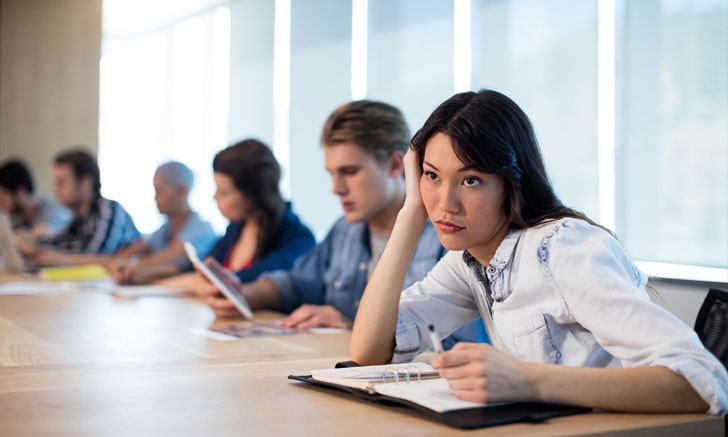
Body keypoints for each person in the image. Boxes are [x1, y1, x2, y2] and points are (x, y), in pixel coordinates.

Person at [349, 90, 728, 415]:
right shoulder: (470, 260)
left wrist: (527, 381)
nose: (445, 203)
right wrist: (410, 212)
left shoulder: (562, 247)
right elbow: (368, 351)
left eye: (471, 180)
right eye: (432, 176)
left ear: (512, 183)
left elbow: (701, 382)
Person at [201, 101, 481, 345]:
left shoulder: (449, 237)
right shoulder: (345, 231)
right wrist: (242, 294)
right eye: (332, 173)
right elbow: (297, 285)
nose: (336, 188)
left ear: (396, 165)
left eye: (350, 171)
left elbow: (459, 347)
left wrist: (358, 331)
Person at [158, 139, 316, 294]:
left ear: (253, 194)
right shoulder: (236, 229)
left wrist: (192, 281)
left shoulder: (299, 239)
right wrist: (160, 272)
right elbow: (203, 269)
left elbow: (247, 282)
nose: (215, 197)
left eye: (224, 193)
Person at [26, 149, 141, 265]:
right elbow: (59, 245)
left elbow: (96, 256)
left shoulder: (108, 210)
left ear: (86, 182)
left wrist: (62, 259)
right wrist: (32, 246)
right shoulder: (80, 218)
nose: (55, 190)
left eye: (61, 182)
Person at [109, 161, 218, 284]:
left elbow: (179, 254)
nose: (155, 198)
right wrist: (128, 257)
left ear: (182, 191)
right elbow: (142, 249)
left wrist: (133, 265)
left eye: (159, 191)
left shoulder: (203, 229)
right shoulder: (163, 231)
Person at [0, 159, 71, 241]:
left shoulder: (54, 211)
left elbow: (43, 237)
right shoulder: (16, 216)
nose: (0, 202)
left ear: (21, 192)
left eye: (3, 196)